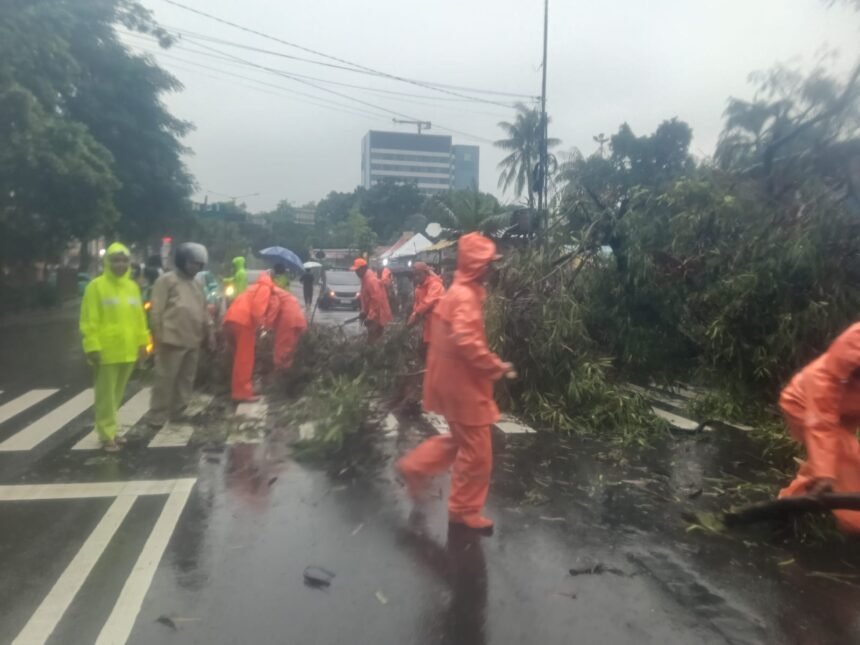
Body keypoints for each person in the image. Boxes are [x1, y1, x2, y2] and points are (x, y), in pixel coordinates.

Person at [396, 233, 516, 532]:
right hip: (462, 386)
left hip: (454, 382)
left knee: (459, 441)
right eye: (488, 264)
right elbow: (466, 339)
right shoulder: (463, 296)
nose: (492, 269)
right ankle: (463, 511)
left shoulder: (464, 292)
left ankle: (415, 467)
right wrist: (492, 365)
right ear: (477, 265)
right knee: (477, 455)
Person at [778, 322, 860, 533]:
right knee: (847, 458)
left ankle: (787, 506)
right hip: (802, 406)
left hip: (845, 413)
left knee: (828, 465)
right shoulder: (823, 379)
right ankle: (855, 523)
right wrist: (826, 475)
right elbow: (821, 425)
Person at [79, 243, 149, 452]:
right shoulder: (96, 287)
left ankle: (111, 430)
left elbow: (139, 319)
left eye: (124, 260)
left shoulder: (132, 287)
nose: (120, 264)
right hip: (106, 351)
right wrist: (92, 346)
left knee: (117, 395)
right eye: (115, 260)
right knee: (105, 396)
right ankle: (106, 434)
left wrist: (143, 344)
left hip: (127, 351)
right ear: (107, 263)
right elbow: (88, 320)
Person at [147, 243, 214, 427]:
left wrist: (210, 333)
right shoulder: (167, 281)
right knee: (165, 378)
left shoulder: (197, 284)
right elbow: (156, 311)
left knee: (186, 379)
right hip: (171, 339)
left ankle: (178, 411)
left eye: (200, 265)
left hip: (193, 339)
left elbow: (203, 311)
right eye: (194, 263)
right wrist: (158, 335)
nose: (197, 267)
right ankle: (157, 414)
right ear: (182, 261)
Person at [223, 271, 275, 402]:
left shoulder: (252, 288)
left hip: (230, 320)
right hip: (243, 323)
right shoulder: (265, 288)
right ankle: (242, 393)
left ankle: (237, 389)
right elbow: (258, 309)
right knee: (244, 359)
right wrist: (262, 327)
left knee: (238, 358)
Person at [266, 286, 308, 371]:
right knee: (291, 348)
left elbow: (274, 306)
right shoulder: (280, 292)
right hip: (298, 319)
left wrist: (266, 324)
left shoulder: (271, 292)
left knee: (282, 348)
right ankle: (289, 371)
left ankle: (280, 372)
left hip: (287, 321)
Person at [352, 258, 392, 342]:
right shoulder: (365, 279)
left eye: (357, 270)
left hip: (378, 315)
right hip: (373, 314)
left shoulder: (370, 280)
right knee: (373, 338)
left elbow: (376, 300)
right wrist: (363, 311)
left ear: (363, 268)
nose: (356, 273)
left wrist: (370, 316)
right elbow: (365, 297)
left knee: (373, 339)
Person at [408, 262, 445, 352]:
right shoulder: (418, 289)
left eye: (419, 274)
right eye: (415, 275)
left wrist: (416, 314)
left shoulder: (435, 285)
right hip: (428, 323)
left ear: (425, 273)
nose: (416, 277)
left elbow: (428, 301)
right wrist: (413, 316)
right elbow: (417, 305)